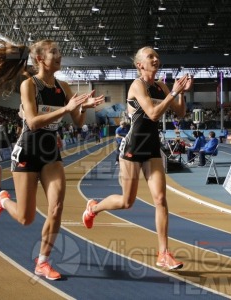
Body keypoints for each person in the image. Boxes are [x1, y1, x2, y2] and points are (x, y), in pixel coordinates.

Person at [0, 40, 104, 280]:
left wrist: (83, 108)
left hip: (51, 154)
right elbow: (31, 122)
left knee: (57, 207)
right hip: (28, 151)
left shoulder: (64, 88)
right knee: (25, 218)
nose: (59, 56)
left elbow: (79, 123)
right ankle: (2, 202)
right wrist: (66, 109)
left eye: (60, 52)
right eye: (54, 52)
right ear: (40, 59)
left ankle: (42, 262)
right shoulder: (29, 85)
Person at [82, 46, 192, 270]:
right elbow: (152, 113)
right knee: (127, 201)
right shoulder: (137, 85)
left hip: (151, 147)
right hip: (132, 147)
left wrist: (182, 92)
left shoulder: (161, 86)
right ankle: (93, 207)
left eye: (157, 56)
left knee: (160, 199)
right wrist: (173, 93)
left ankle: (163, 253)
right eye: (150, 56)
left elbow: (180, 113)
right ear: (140, 64)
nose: (156, 59)